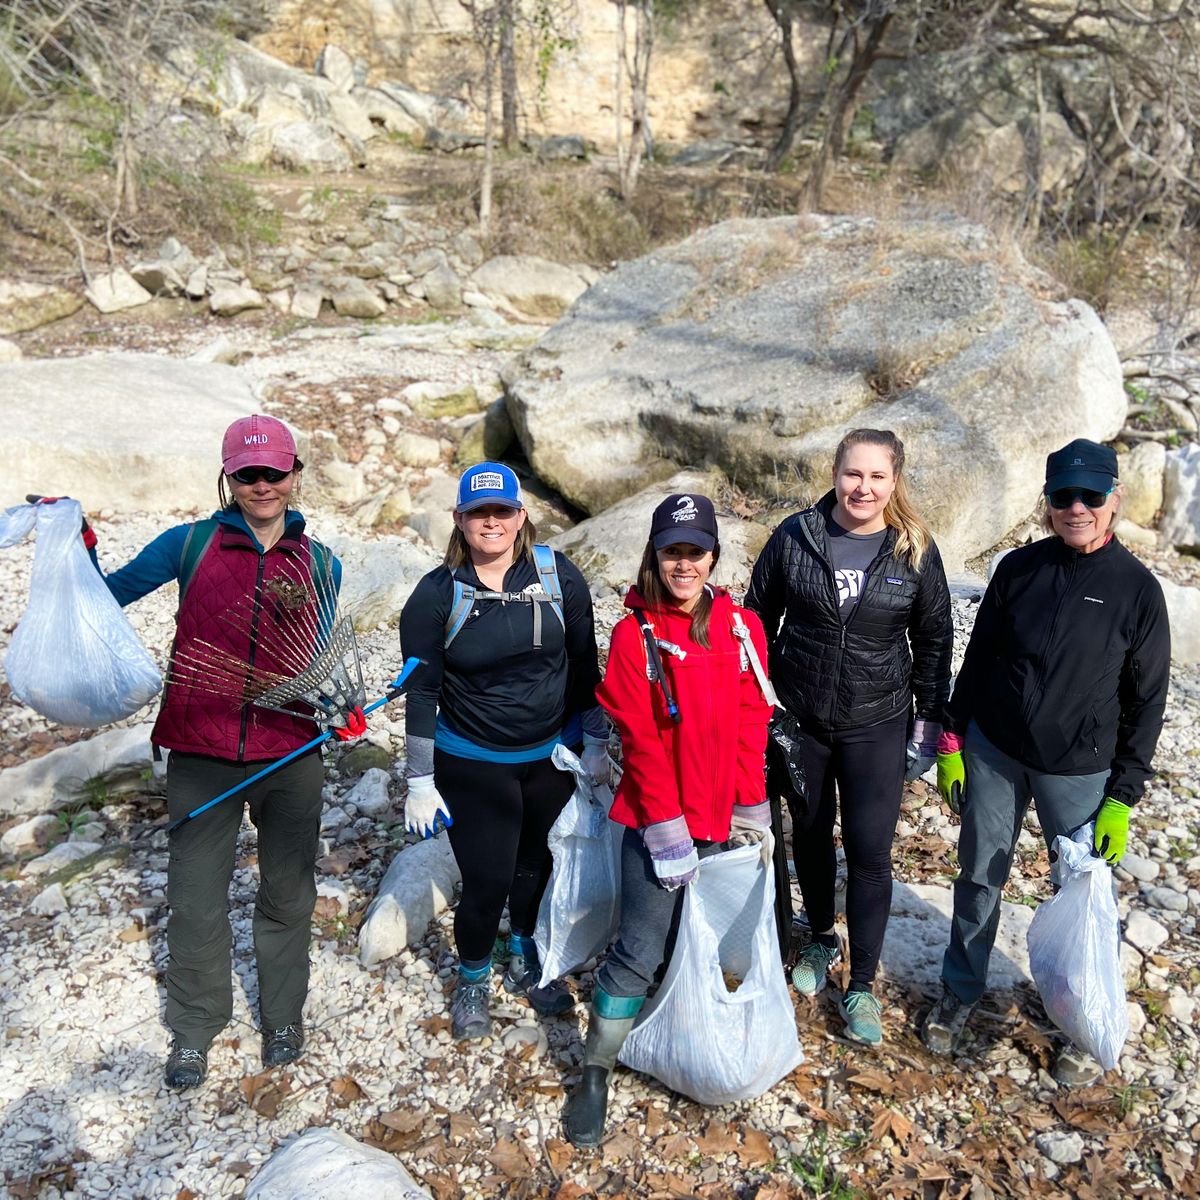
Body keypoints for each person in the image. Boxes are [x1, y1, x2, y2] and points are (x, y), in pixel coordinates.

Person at [90, 414, 344, 1091]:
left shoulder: (321, 562)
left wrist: (337, 712)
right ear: (227, 477)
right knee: (196, 899)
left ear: (295, 475)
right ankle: (196, 1028)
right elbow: (102, 598)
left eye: (273, 472)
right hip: (200, 751)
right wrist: (74, 543)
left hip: (290, 752)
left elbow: (315, 664)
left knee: (288, 893)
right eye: (247, 473)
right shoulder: (190, 544)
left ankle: (284, 1018)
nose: (261, 485)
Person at [922, 438, 1170, 1085]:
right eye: (1064, 496)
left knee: (1081, 891)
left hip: (1080, 769)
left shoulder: (1138, 593)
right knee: (979, 873)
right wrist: (951, 741)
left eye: (1091, 495)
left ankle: (1080, 1022)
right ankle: (960, 988)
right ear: (1049, 501)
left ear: (1114, 499)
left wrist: (1123, 796)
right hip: (995, 752)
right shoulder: (1018, 570)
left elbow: (1147, 705)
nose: (1077, 508)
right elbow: (978, 662)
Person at [562, 493, 775, 1147]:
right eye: (673, 550)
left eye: (697, 550)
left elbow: (750, 722)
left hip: (723, 816)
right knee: (640, 947)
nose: (685, 564)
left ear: (714, 554)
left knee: (710, 939)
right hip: (660, 820)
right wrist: (664, 825)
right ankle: (595, 1070)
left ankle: (683, 1032)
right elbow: (641, 737)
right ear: (655, 554)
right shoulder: (636, 634)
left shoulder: (741, 627)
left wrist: (752, 807)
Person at [745, 428, 953, 1047]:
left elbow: (935, 639)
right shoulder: (795, 537)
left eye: (877, 477)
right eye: (853, 474)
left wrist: (929, 724)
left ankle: (861, 982)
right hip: (803, 717)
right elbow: (755, 620)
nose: (864, 487)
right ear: (835, 474)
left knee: (868, 851)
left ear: (895, 482)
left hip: (877, 721)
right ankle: (816, 938)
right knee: (808, 834)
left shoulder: (913, 550)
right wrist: (758, 707)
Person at [398, 462, 606, 1042]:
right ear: (459, 519)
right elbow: (423, 689)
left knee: (537, 864)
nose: (492, 522)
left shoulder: (559, 576)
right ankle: (471, 978)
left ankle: (524, 953)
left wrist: (595, 741)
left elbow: (587, 669)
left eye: (503, 511)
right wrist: (420, 778)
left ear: (521, 516)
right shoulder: (436, 595)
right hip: (471, 760)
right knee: (486, 880)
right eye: (478, 512)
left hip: (550, 757)